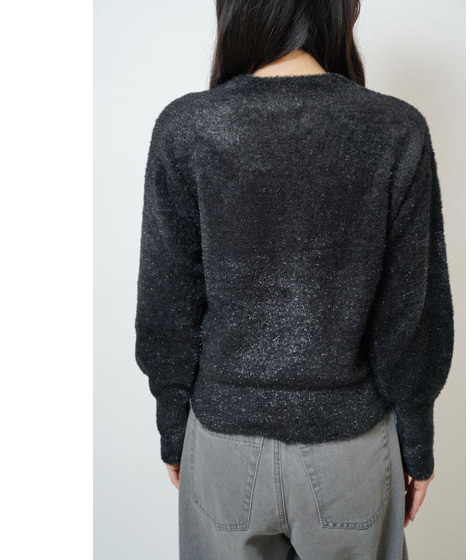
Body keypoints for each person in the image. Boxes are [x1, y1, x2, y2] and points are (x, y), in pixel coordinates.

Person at [134, 1, 454, 558]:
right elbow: (410, 317)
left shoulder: (187, 128)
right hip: (350, 451)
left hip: (224, 446)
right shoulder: (395, 129)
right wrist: (417, 441)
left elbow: (168, 307)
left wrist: (172, 426)